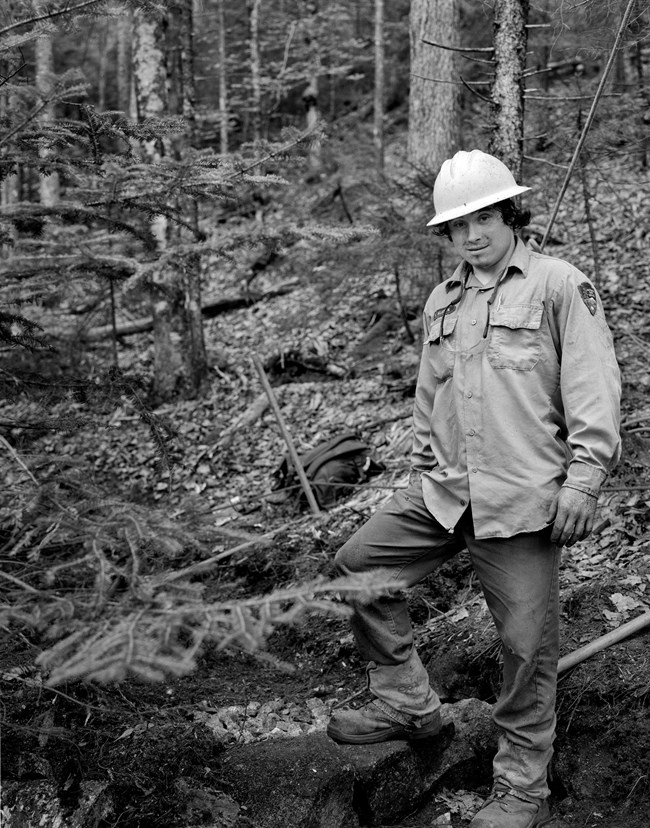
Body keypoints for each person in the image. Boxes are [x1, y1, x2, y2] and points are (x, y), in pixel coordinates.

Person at [326, 149, 621, 828]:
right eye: (458, 225)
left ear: (508, 212)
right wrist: (427, 459)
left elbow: (594, 388)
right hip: (444, 494)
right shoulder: (443, 300)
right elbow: (430, 394)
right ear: (447, 235)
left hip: (522, 502)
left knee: (525, 650)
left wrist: (585, 478)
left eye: (484, 216)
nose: (472, 234)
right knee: (358, 565)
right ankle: (406, 701)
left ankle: (521, 791)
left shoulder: (558, 285)